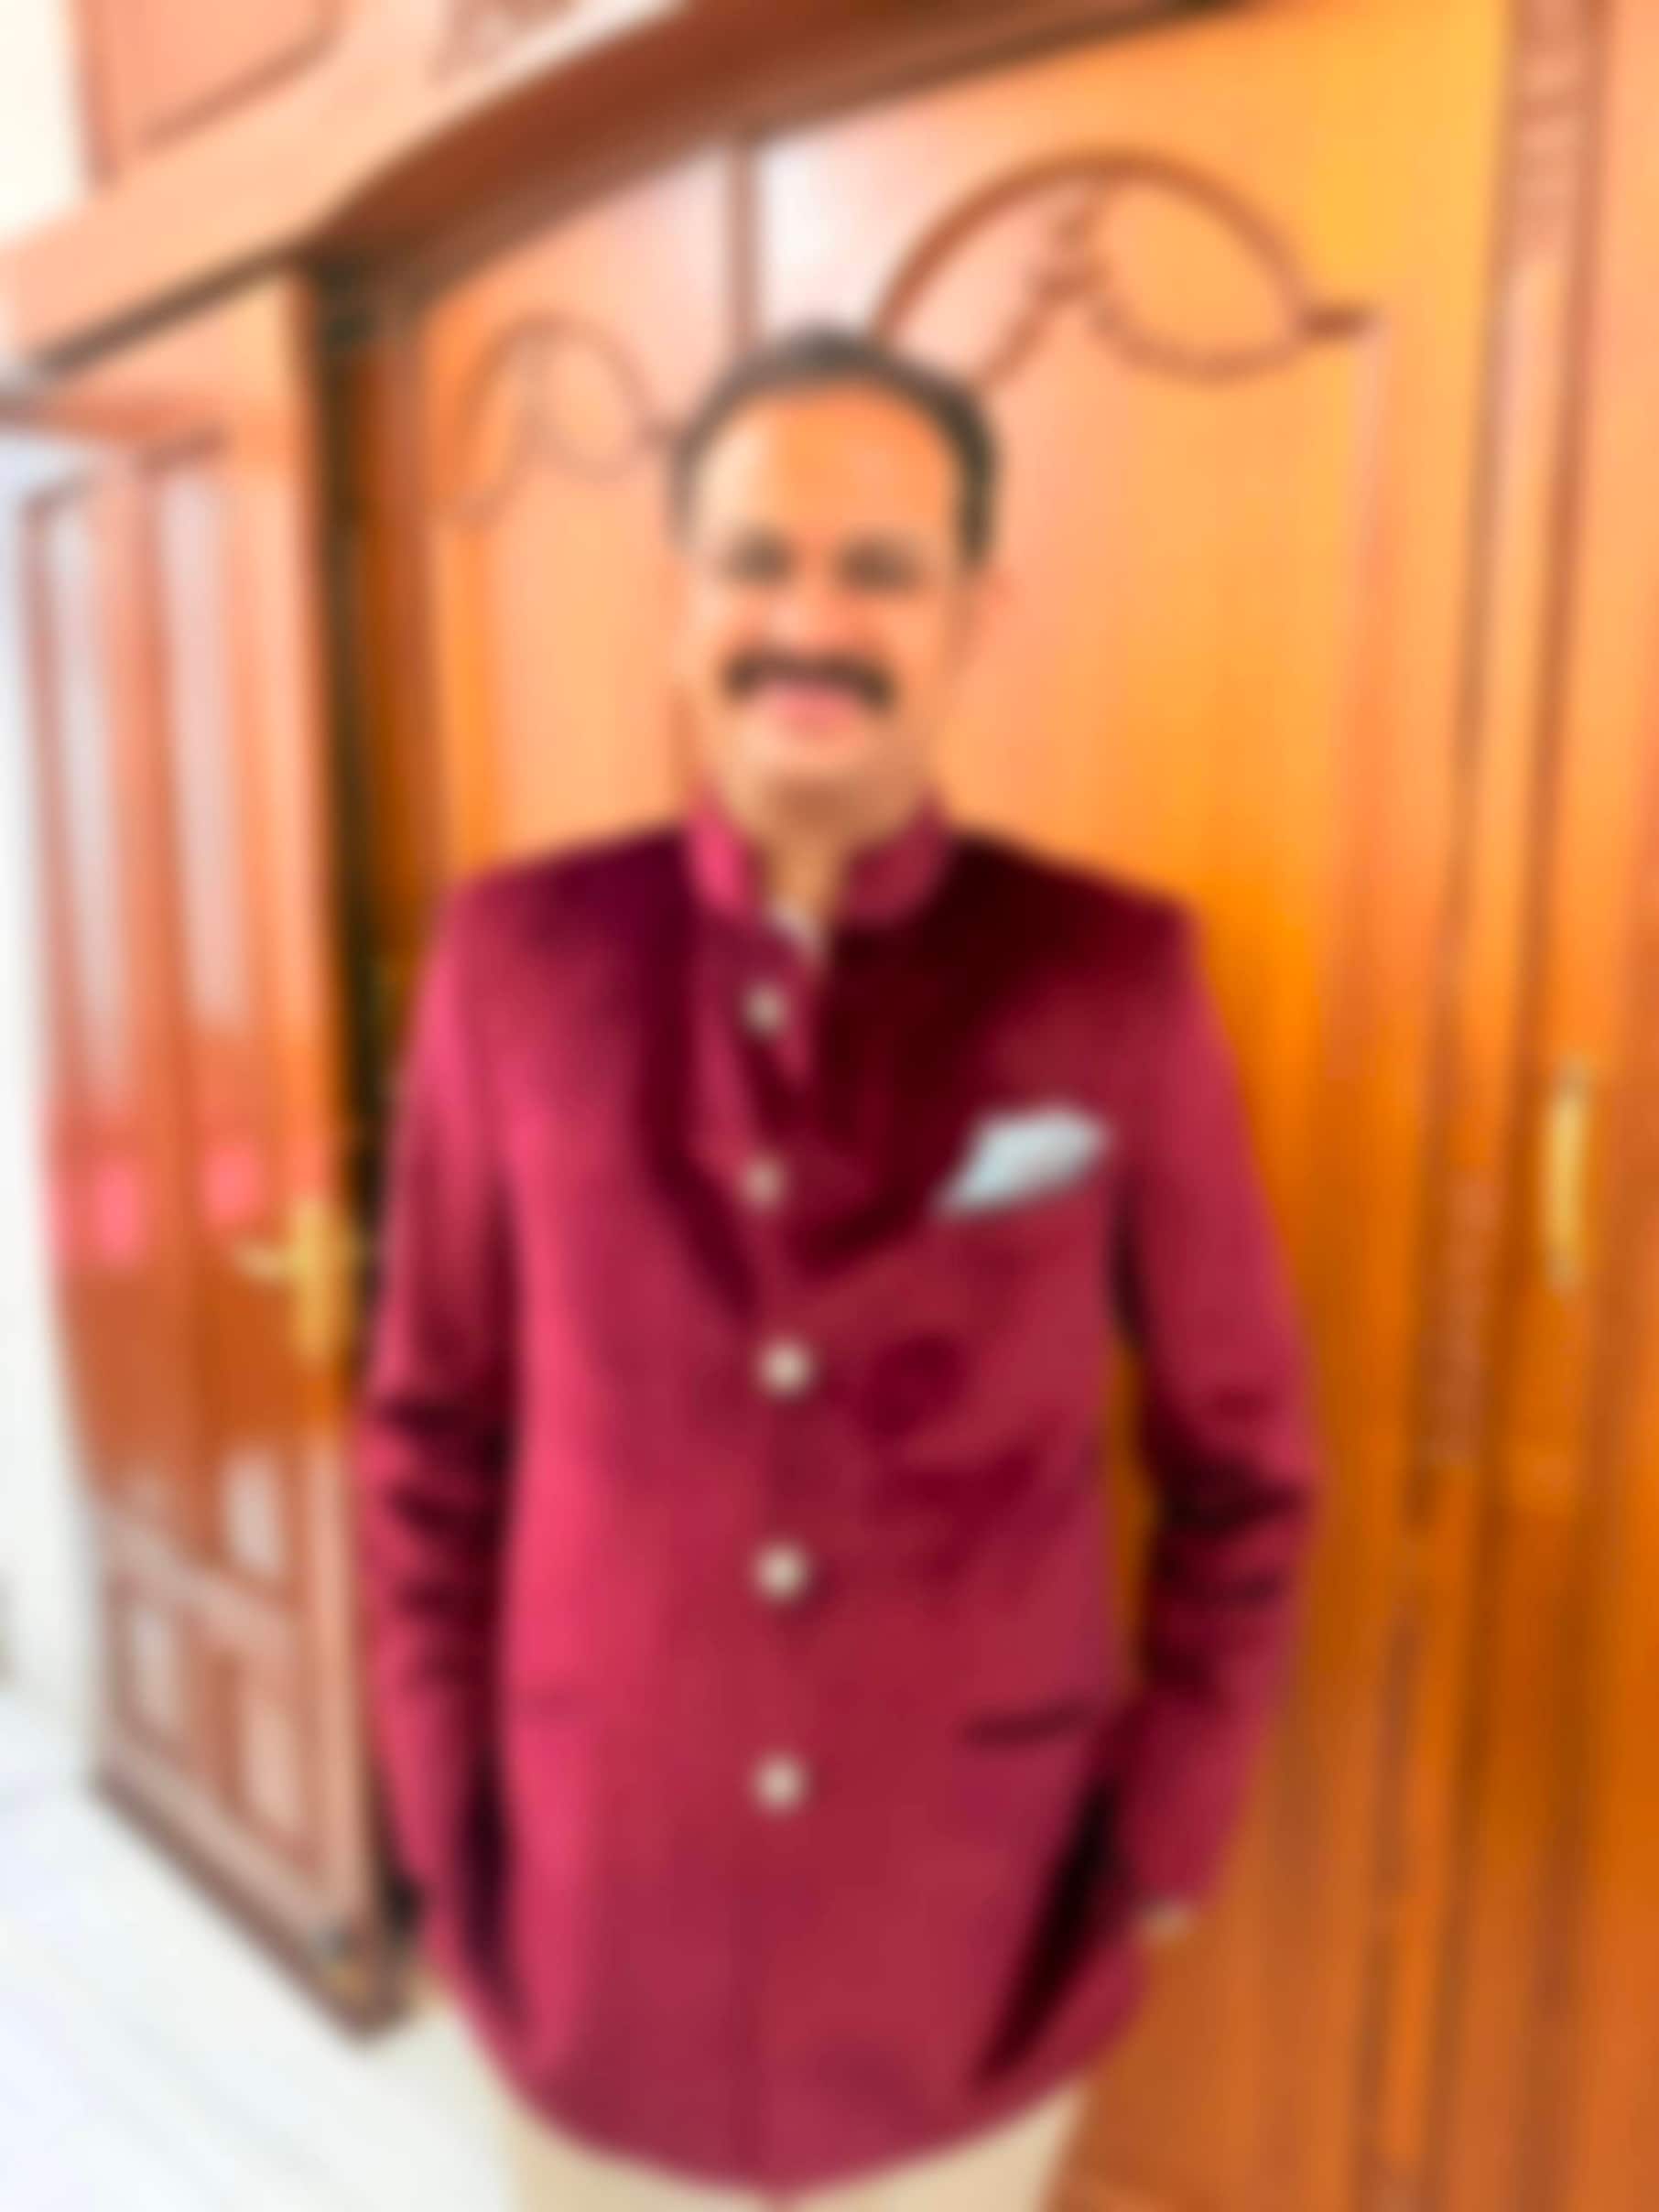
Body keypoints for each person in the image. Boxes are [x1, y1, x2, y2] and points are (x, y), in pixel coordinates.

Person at [352, 324, 1324, 2209]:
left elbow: (1247, 1467)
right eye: (757, 560)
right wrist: (439, 1821)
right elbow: (428, 1436)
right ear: (681, 600)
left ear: (973, 613)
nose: (812, 620)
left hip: (975, 1955)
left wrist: (1167, 1841)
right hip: (589, 1935)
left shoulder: (1112, 976)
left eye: (880, 568)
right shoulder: (514, 960)